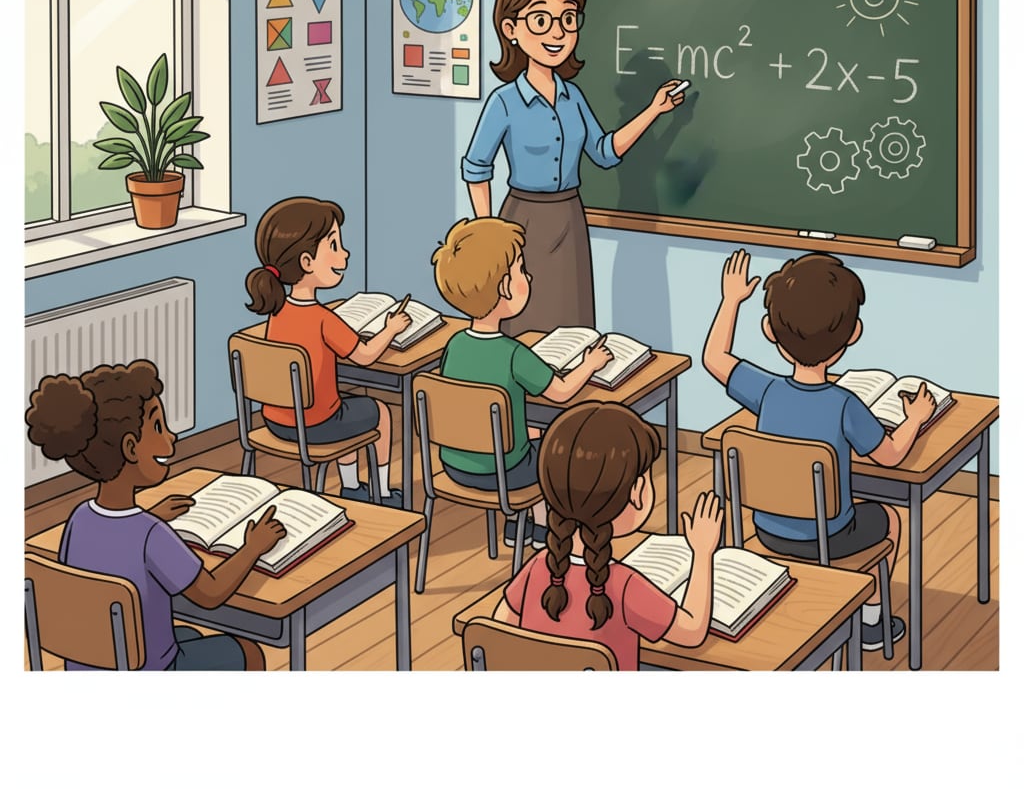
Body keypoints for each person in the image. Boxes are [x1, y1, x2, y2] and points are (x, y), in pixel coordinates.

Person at [702, 248, 937, 651]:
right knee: (892, 519)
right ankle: (871, 624)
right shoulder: (845, 404)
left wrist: (730, 300)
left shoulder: (766, 390)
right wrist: (915, 418)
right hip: (829, 536)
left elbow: (714, 358)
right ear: (853, 334)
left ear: (769, 330)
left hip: (767, 532)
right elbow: (892, 455)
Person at [461, 0, 688, 336]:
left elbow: (603, 152)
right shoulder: (504, 102)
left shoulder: (573, 97)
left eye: (568, 19)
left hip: (569, 216)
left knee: (571, 326)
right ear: (510, 29)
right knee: (521, 320)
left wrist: (654, 110)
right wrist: (489, 233)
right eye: (541, 20)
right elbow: (476, 168)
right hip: (521, 222)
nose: (558, 33)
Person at [25, 360, 286, 671]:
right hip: (150, 671)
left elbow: (110, 551)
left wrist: (150, 515)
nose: (171, 438)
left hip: (91, 667)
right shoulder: (151, 534)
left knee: (187, 633)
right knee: (248, 651)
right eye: (158, 427)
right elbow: (210, 594)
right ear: (131, 447)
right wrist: (253, 547)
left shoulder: (79, 519)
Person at [493, 401, 723, 670]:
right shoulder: (623, 585)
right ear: (636, 491)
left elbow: (500, 629)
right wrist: (703, 552)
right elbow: (693, 631)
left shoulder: (538, 567)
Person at [431, 215, 613, 549]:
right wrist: (590, 364)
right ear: (503, 287)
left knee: (528, 432)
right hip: (503, 471)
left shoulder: (454, 345)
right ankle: (541, 528)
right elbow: (561, 393)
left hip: (453, 465)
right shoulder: (514, 354)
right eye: (520, 270)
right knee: (550, 451)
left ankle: (518, 525)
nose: (528, 276)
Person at [245, 196, 409, 505]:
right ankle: (383, 492)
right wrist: (391, 329)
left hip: (275, 420)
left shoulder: (277, 313)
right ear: (307, 262)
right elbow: (364, 356)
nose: (344, 253)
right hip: (316, 426)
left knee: (344, 405)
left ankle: (351, 486)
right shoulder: (322, 318)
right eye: (333, 246)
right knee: (380, 413)